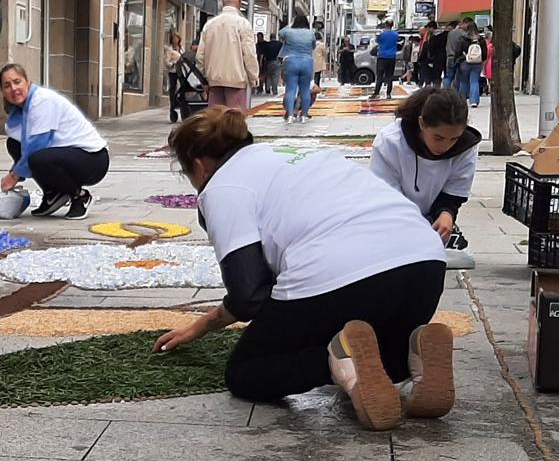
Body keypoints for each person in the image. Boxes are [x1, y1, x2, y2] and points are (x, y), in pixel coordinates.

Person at [152, 108, 453, 431]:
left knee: (245, 372)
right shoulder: (298, 151)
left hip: (340, 273)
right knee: (371, 346)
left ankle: (334, 361)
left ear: (198, 165)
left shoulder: (222, 187)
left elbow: (249, 293)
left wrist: (201, 326)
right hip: (425, 264)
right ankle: (412, 353)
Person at [370, 86, 481, 244]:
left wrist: (446, 214)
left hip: (430, 218)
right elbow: (386, 195)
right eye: (438, 138)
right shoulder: (390, 142)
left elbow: (454, 191)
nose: (445, 146)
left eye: (454, 139)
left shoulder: (466, 147)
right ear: (422, 123)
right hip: (391, 219)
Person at [0, 63, 110, 217]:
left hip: (93, 159)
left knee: (37, 158)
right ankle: (53, 193)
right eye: (7, 86)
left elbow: (36, 147)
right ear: (3, 92)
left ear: (28, 82)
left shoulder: (42, 101)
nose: (14, 89)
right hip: (68, 155)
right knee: (13, 143)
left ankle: (80, 196)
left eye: (17, 82)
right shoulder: (19, 113)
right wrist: (15, 171)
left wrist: (14, 176)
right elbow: (23, 146)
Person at [196, 0, 259, 112]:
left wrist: (204, 76)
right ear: (240, 2)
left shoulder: (210, 25)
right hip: (236, 80)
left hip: (214, 81)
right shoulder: (243, 24)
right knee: (234, 121)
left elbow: (200, 55)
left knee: (215, 121)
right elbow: (249, 54)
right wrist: (253, 77)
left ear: (224, 2)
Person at [280, 9, 319, 122]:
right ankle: (304, 115)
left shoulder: (288, 32)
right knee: (305, 90)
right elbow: (313, 46)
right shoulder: (311, 33)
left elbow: (281, 32)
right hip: (307, 62)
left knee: (290, 90)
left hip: (291, 61)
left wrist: (290, 24)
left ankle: (291, 115)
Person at [449, 20, 485, 104]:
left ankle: (462, 100)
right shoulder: (481, 40)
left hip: (465, 62)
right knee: (474, 81)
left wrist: (456, 60)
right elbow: (484, 53)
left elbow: (458, 51)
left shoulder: (463, 39)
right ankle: (474, 101)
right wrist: (482, 60)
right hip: (477, 63)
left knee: (464, 81)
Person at [370, 18, 401, 98]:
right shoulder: (395, 34)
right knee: (390, 76)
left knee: (380, 76)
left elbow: (377, 41)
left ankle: (376, 93)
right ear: (392, 25)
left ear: (385, 25)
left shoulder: (381, 34)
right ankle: (388, 94)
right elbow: (397, 42)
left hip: (382, 56)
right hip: (392, 57)